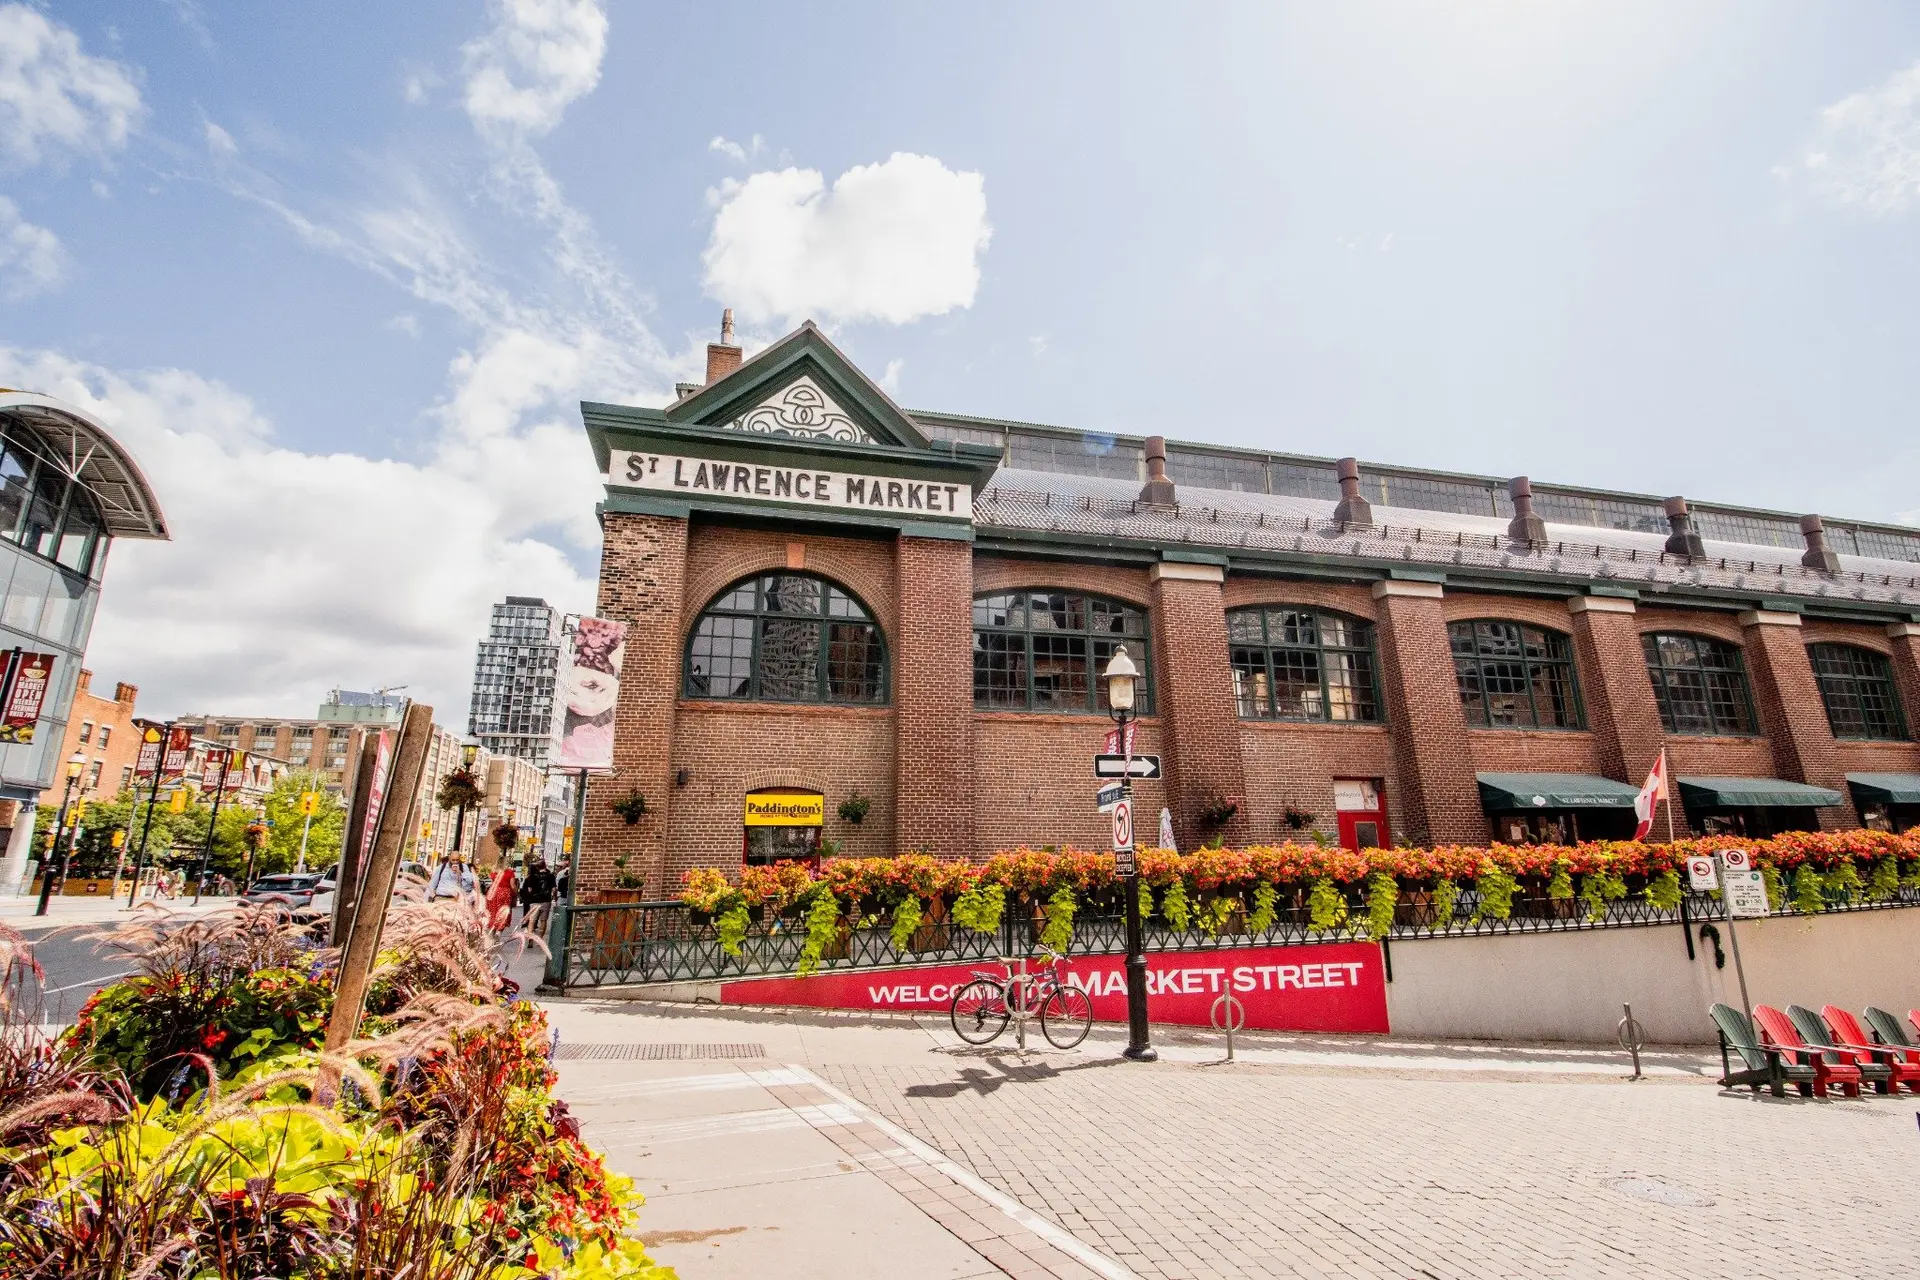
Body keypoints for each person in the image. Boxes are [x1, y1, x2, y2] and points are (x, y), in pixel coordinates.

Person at [520, 856, 556, 936]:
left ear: (537, 867)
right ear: (545, 866)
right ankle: (540, 938)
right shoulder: (551, 876)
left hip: (534, 901)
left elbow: (529, 890)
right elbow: (554, 889)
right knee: (543, 920)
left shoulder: (532, 877)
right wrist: (554, 898)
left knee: (532, 920)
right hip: (546, 900)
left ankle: (530, 938)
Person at [484, 861, 517, 932]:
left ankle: (492, 930)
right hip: (504, 893)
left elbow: (492, 882)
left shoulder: (494, 872)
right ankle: (499, 931)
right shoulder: (510, 872)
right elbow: (513, 886)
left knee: (493, 912)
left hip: (493, 892)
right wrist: (516, 894)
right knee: (503, 912)